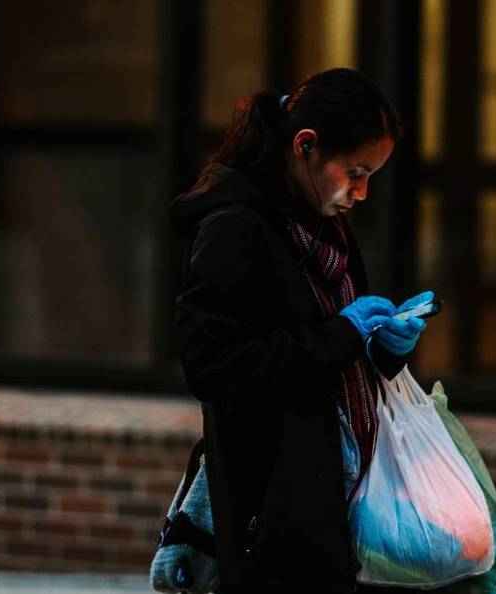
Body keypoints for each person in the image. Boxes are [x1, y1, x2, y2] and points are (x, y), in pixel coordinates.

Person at [171, 68, 434, 594]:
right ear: (305, 146)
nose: (361, 193)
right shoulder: (234, 227)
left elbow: (330, 350)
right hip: (272, 511)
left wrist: (381, 349)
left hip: (336, 500)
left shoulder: (323, 221)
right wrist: (341, 335)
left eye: (372, 176)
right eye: (355, 172)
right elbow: (214, 365)